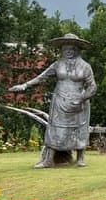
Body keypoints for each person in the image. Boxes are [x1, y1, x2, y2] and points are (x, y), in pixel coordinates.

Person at [8, 33, 97, 168]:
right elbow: (42, 77)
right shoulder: (57, 64)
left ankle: (80, 158)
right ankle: (49, 159)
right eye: (65, 48)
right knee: (54, 128)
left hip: (79, 103)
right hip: (60, 100)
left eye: (71, 48)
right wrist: (25, 85)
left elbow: (92, 86)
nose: (68, 51)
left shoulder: (85, 66)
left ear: (77, 49)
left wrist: (82, 98)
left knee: (79, 129)